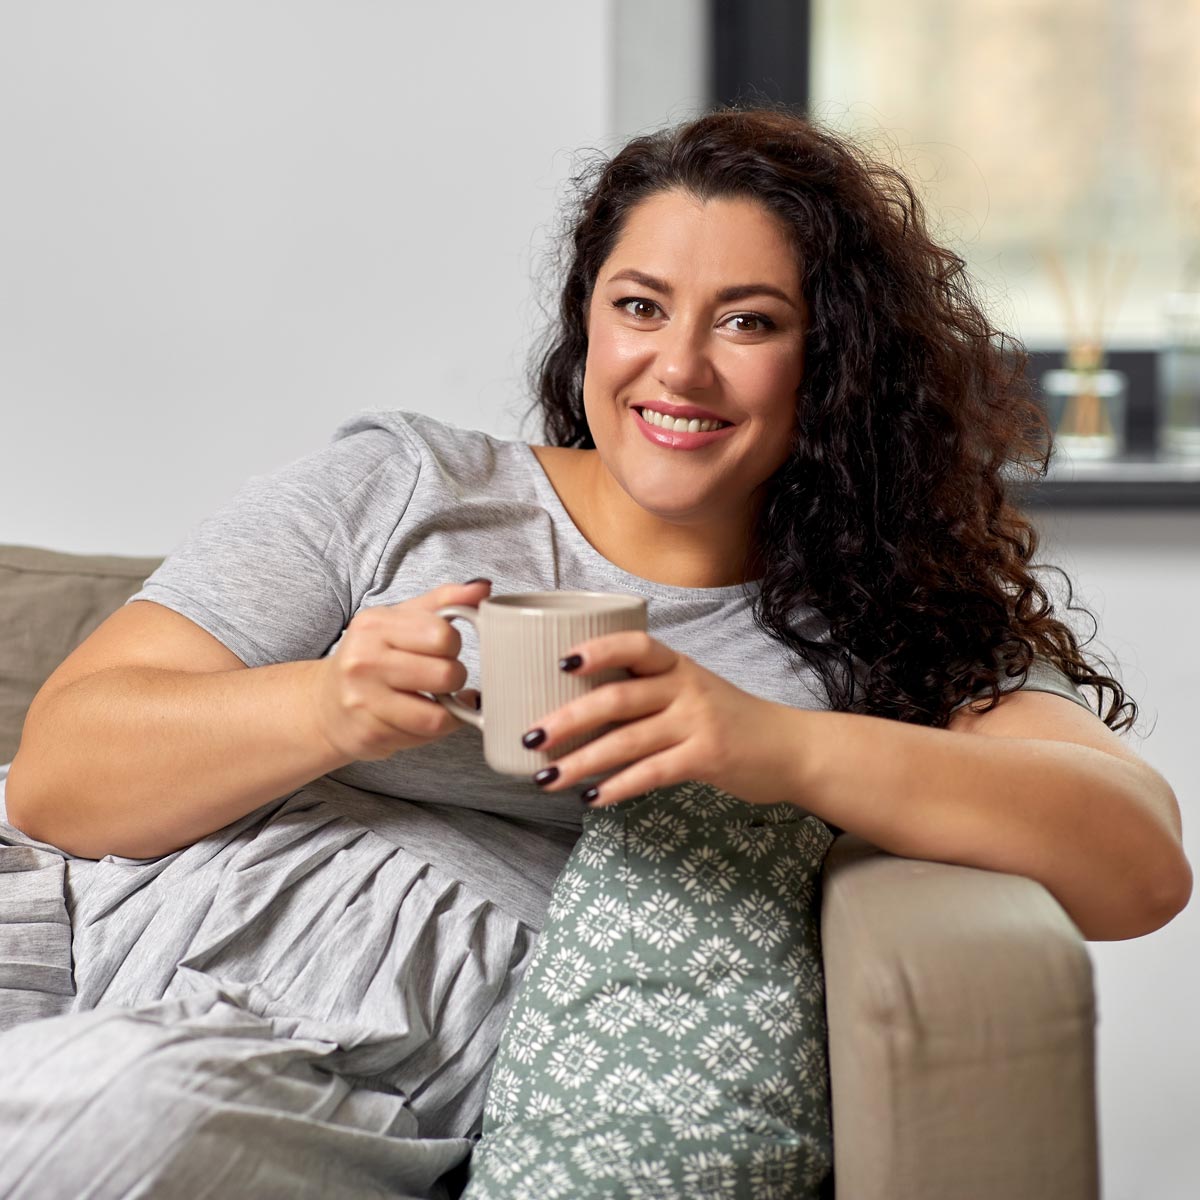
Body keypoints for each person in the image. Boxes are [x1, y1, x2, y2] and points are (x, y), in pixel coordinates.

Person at [0, 106, 1190, 1200]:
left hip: (336, 1038)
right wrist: (326, 707)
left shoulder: (879, 616)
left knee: (108, 1117)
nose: (678, 368)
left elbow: (1135, 862)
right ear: (587, 322)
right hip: (79, 919)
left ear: (833, 363)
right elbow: (60, 777)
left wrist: (776, 746)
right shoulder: (406, 486)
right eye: (640, 306)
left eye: (750, 321)